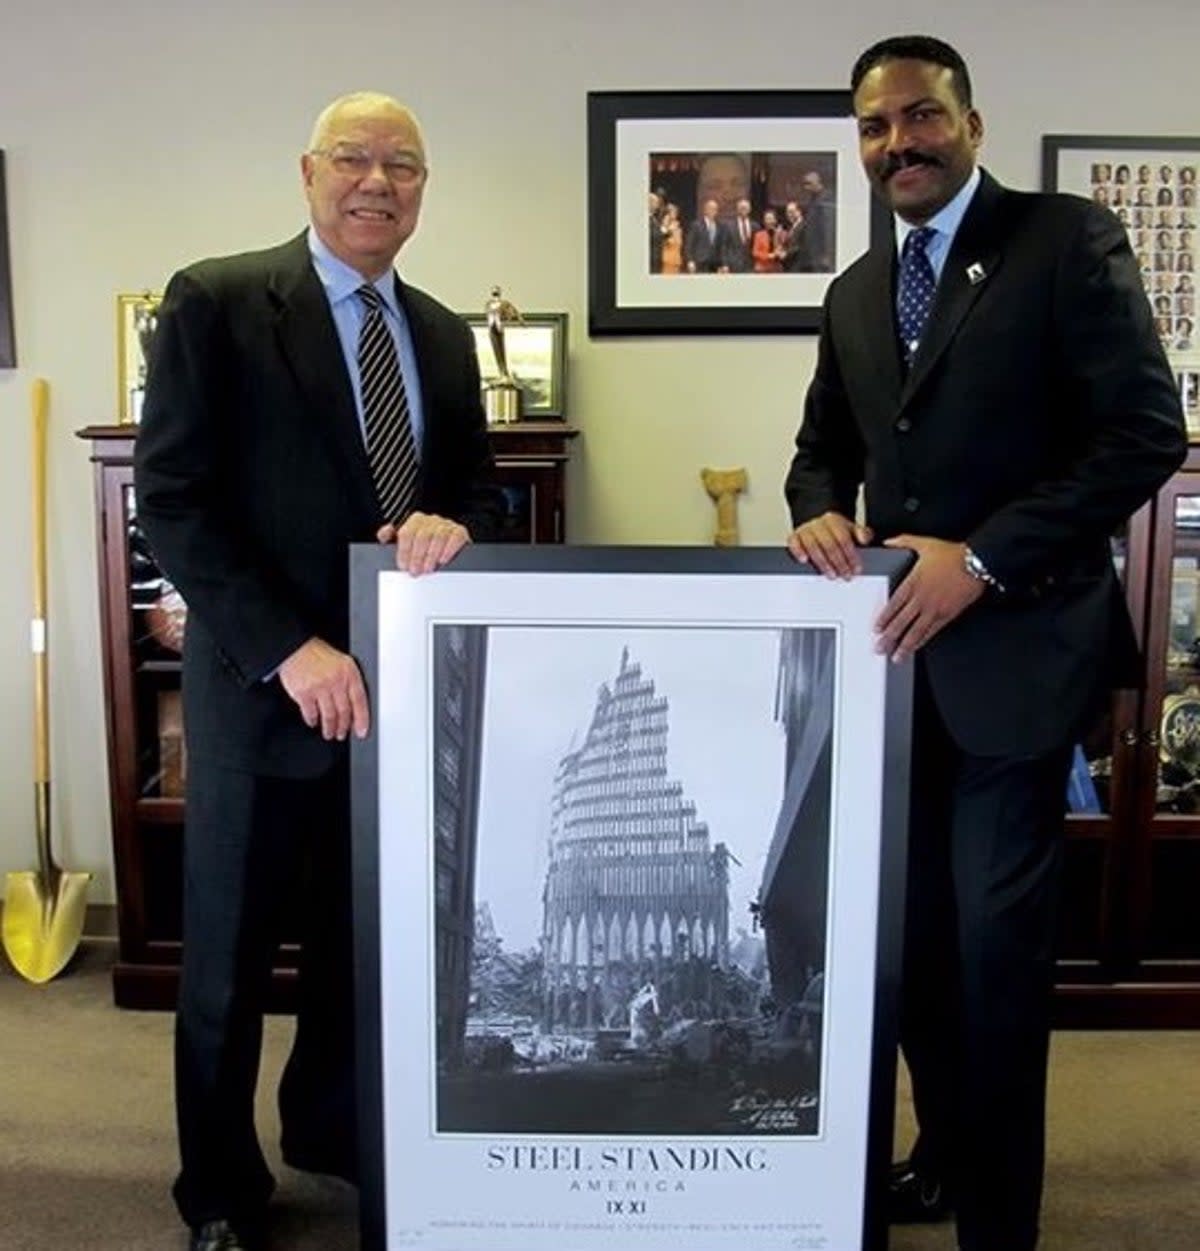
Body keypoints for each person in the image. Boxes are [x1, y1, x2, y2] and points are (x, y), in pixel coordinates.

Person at [783, 35, 1185, 1251]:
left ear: (970, 123)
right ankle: (949, 1155)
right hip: (895, 676)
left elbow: (1142, 435)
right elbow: (820, 444)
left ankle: (999, 1225)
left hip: (1018, 659)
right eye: (874, 126)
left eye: (921, 117)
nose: (897, 142)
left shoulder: (1064, 243)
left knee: (996, 961)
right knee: (910, 944)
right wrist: (814, 508)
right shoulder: (854, 291)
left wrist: (985, 557)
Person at [134, 91, 500, 1251]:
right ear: (308, 172)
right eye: (354, 157)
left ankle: (328, 1130)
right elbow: (176, 501)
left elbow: (480, 490)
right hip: (261, 697)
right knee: (229, 973)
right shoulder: (221, 299)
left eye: (403, 164)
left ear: (422, 190)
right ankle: (221, 1194)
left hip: (390, 708)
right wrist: (290, 648)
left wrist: (457, 524)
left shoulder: (441, 333)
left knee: (362, 952)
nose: (377, 181)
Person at [800, 169, 836, 270]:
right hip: (813, 253)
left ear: (818, 182)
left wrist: (827, 254)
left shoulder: (826, 199)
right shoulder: (813, 199)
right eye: (804, 184)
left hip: (821, 254)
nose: (806, 187)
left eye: (808, 184)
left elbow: (828, 228)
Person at [685, 198, 731, 273]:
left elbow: (722, 247)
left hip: (715, 264)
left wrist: (724, 264)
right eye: (710, 208)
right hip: (699, 262)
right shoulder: (696, 225)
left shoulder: (720, 226)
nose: (713, 211)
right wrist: (690, 260)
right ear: (705, 210)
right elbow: (689, 245)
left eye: (715, 209)